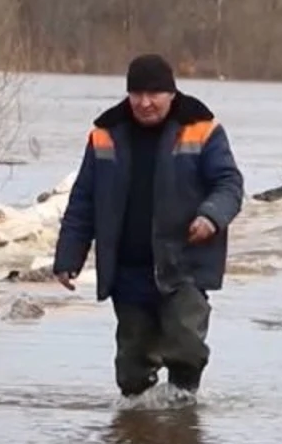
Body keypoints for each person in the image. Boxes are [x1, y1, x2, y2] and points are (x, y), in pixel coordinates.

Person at [53, 54, 245, 397]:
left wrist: (211, 217)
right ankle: (135, 432)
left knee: (186, 348)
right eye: (136, 94)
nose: (145, 102)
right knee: (131, 369)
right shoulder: (104, 134)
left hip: (183, 261)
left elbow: (229, 184)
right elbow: (83, 200)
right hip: (128, 267)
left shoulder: (203, 129)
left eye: (154, 94)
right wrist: (69, 258)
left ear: (171, 93)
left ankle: (182, 416)